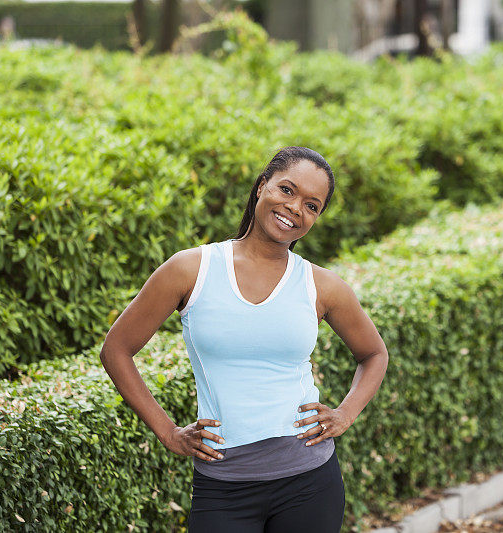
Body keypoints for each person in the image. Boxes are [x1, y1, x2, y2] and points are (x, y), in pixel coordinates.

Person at [100, 146, 390, 532]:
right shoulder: (190, 269)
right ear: (261, 187)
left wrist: (345, 414)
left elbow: (374, 354)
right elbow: (116, 350)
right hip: (223, 487)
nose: (295, 208)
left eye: (312, 205)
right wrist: (168, 432)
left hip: (310, 481)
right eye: (286, 190)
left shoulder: (321, 285)